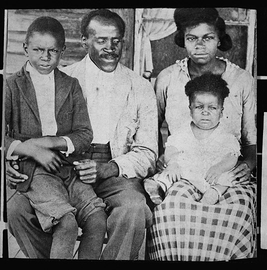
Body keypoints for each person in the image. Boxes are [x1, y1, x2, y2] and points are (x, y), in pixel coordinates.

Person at [6, 9, 158, 260]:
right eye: (101, 40)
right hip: (60, 169)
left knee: (133, 208)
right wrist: (12, 160)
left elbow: (149, 152)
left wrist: (109, 167)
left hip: (115, 169)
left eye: (117, 40)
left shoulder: (139, 86)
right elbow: (22, 136)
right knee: (16, 209)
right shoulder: (64, 78)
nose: (110, 48)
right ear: (85, 41)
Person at [146, 8, 257, 261]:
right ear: (182, 40)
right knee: (169, 208)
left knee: (236, 210)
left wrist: (248, 164)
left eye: (207, 38)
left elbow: (251, 141)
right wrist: (165, 158)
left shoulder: (242, 81)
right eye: (191, 38)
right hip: (181, 169)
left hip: (224, 171)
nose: (199, 45)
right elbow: (153, 130)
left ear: (219, 39)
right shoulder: (168, 78)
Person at [5, 16, 107, 259]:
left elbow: (84, 134)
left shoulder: (70, 85)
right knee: (66, 222)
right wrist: (31, 150)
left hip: (69, 168)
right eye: (39, 50)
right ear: (25, 48)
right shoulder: (11, 86)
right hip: (35, 170)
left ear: (62, 51)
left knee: (97, 219)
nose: (45, 57)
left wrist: (49, 142)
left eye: (53, 51)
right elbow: (1, 138)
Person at [144, 73, 240, 205]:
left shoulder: (226, 136)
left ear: (221, 111)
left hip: (212, 173)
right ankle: (159, 185)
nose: (205, 112)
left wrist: (219, 168)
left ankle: (213, 194)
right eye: (199, 107)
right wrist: (172, 163)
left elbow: (232, 157)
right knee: (173, 170)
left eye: (212, 107)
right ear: (190, 110)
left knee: (227, 177)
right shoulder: (183, 132)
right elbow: (172, 149)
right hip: (188, 173)